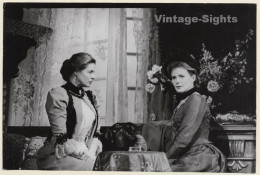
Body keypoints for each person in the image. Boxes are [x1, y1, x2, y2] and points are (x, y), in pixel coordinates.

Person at [37, 52, 102, 170]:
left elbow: (95, 133)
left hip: (86, 153)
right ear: (76, 72)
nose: (94, 77)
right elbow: (61, 137)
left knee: (106, 166)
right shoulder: (59, 94)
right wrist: (86, 156)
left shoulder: (89, 97)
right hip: (59, 155)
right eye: (90, 72)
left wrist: (91, 153)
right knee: (98, 169)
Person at [164, 60, 226, 172]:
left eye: (181, 76)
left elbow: (185, 136)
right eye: (174, 78)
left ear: (193, 78)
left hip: (198, 157)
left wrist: (165, 158)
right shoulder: (185, 101)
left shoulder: (196, 99)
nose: (177, 81)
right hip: (186, 155)